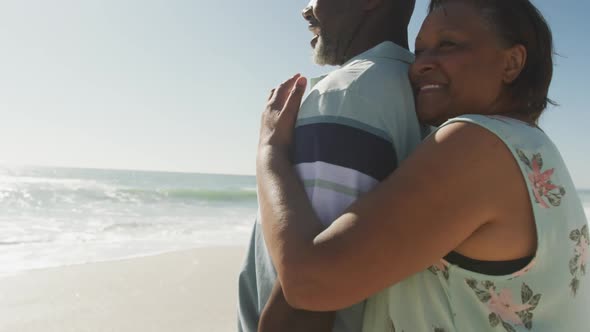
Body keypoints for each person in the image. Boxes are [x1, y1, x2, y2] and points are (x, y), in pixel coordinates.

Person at [256, 0, 590, 331]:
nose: (420, 66)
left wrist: (270, 152)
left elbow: (310, 283)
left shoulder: (476, 144)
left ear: (512, 62)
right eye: (419, 50)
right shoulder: (535, 150)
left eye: (448, 45)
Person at [237, 0, 424, 330]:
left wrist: (268, 147)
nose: (306, 9)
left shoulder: (347, 94)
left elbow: (306, 301)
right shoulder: (425, 92)